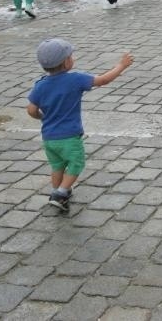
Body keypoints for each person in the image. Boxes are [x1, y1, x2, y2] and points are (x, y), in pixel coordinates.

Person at [27, 38, 133, 211]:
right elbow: (103, 80)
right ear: (67, 61)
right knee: (76, 164)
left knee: (57, 166)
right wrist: (122, 66)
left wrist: (42, 117)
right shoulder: (75, 79)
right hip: (69, 136)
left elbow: (31, 110)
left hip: (49, 138)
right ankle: (60, 193)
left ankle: (58, 191)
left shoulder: (40, 85)